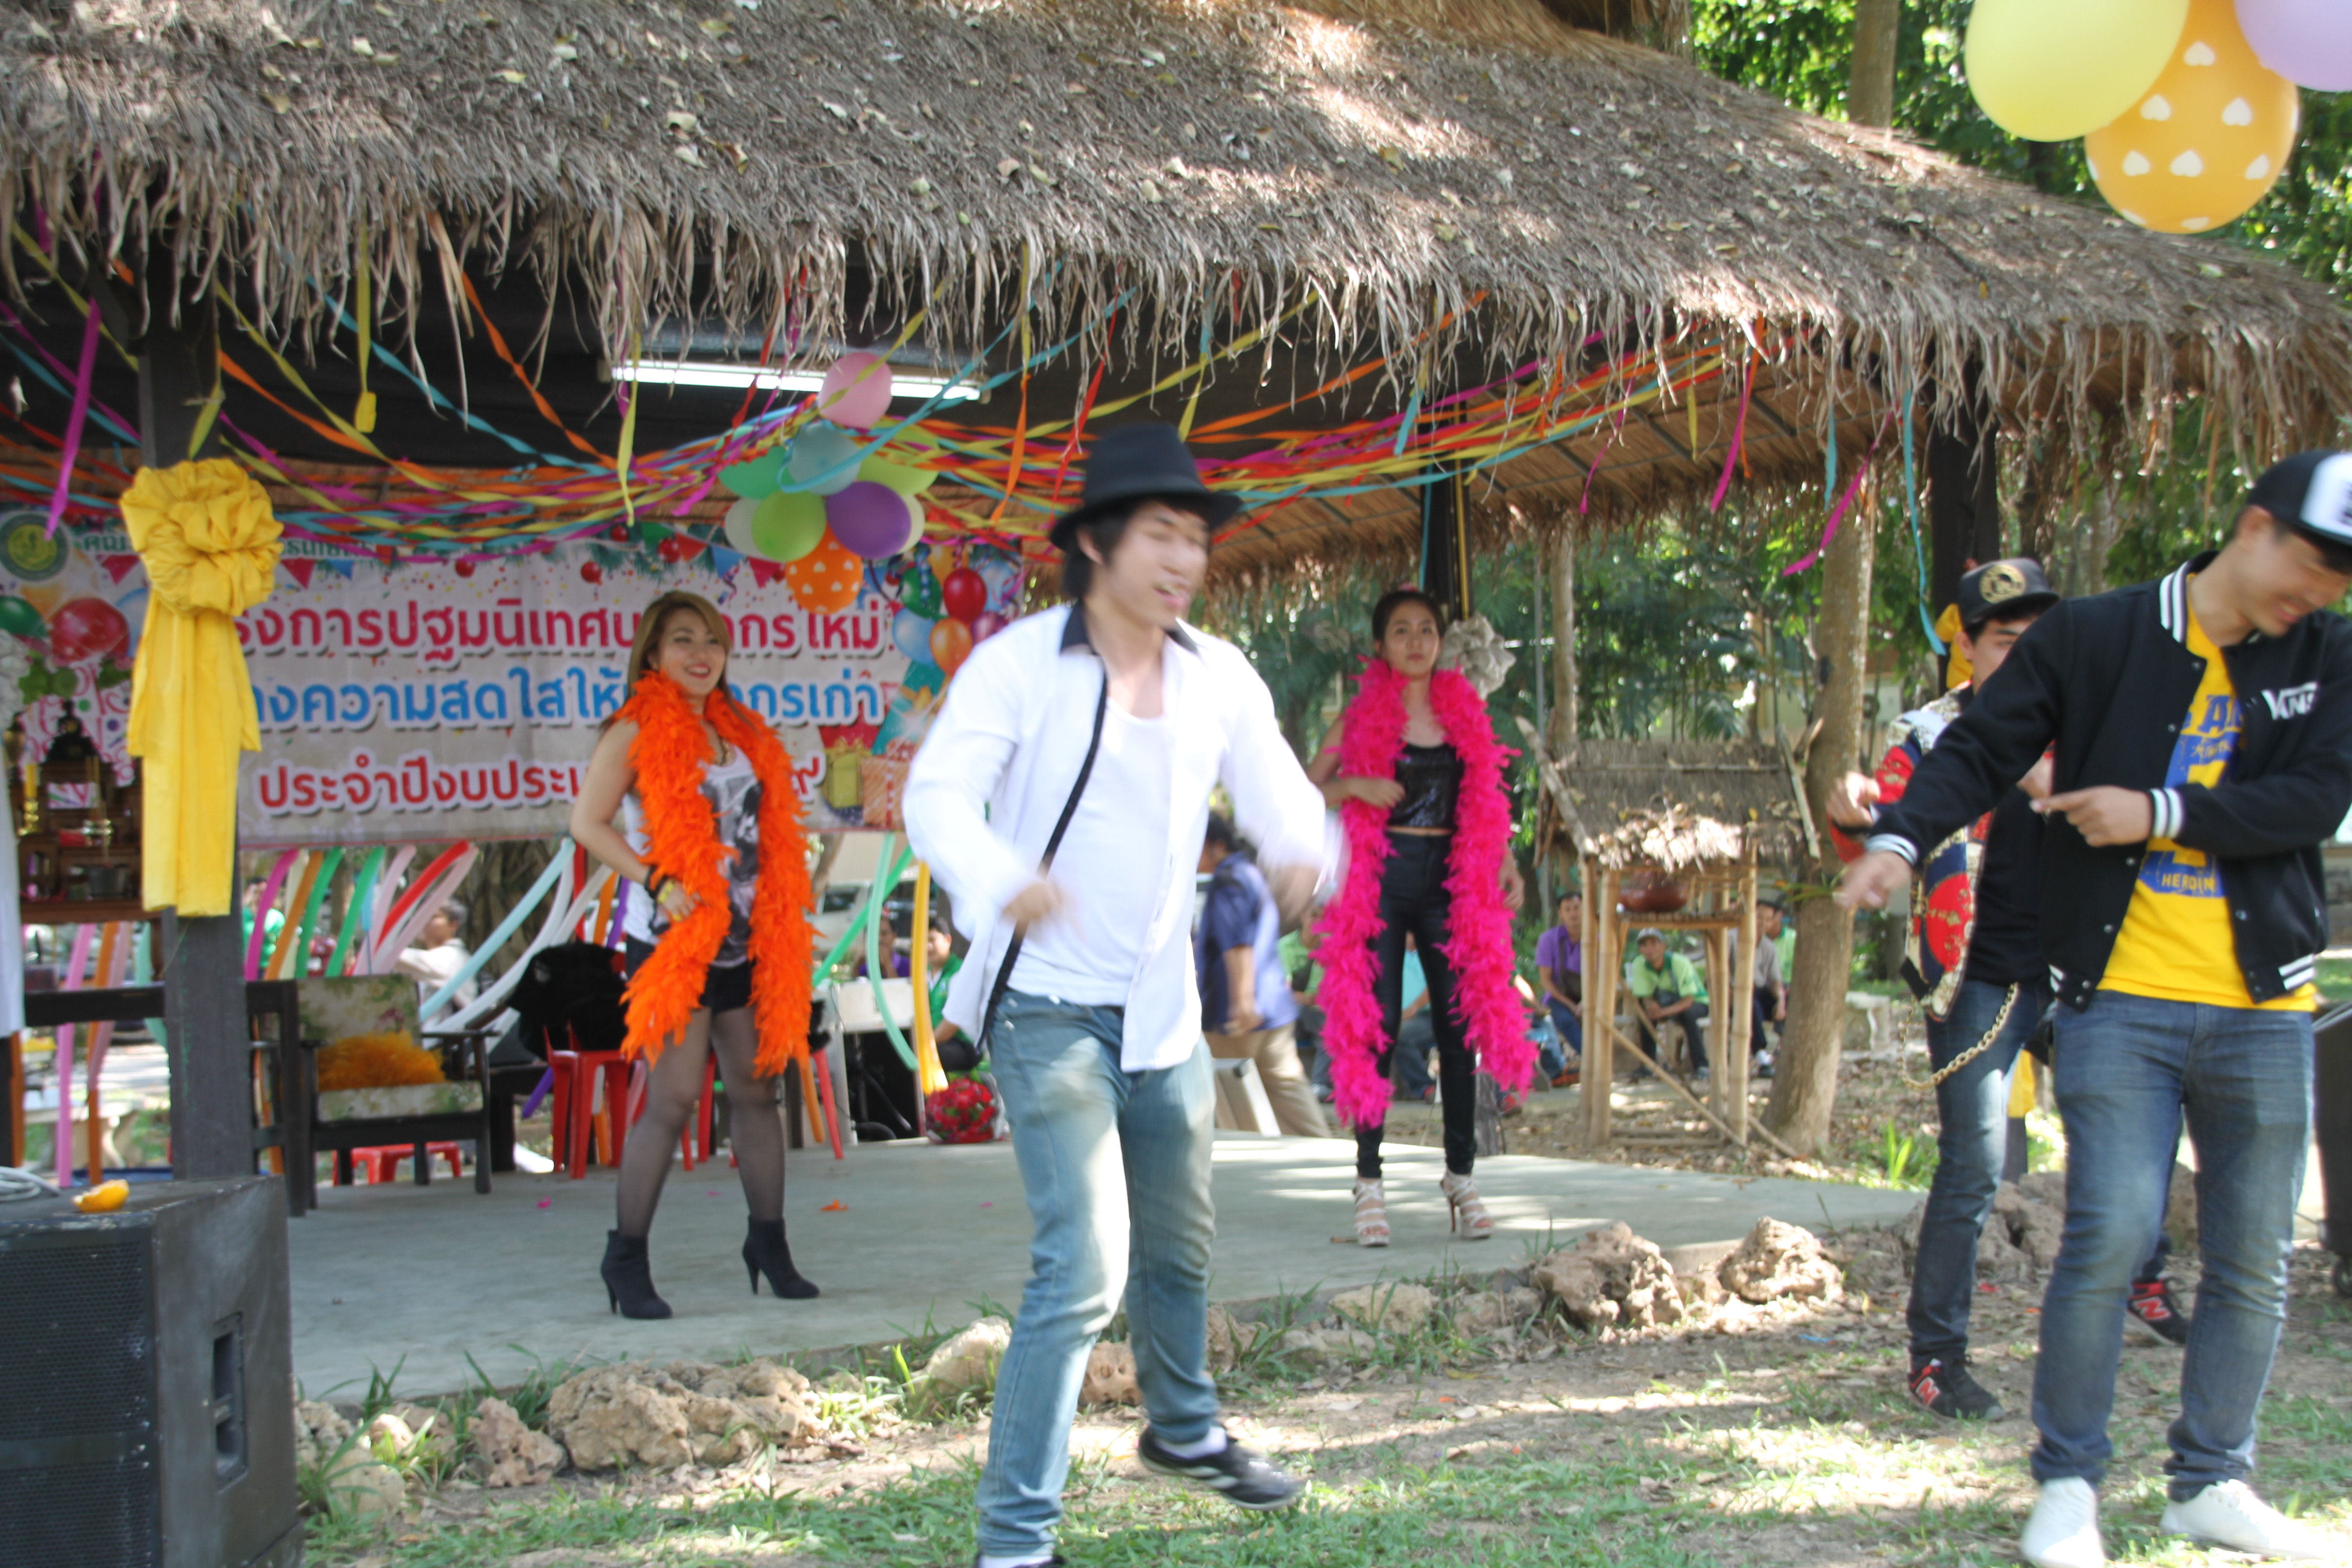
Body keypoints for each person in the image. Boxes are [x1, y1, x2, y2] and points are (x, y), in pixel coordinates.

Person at [1838, 453, 2352, 1568]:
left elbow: (2316, 796)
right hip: (2119, 997)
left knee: (2254, 1254)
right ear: (2253, 528)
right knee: (2110, 1231)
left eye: (2340, 578)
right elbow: (1982, 744)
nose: (2321, 592)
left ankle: (2212, 1480)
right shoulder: (2098, 634)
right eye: (2314, 563)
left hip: (2266, 1003)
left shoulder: (2326, 651)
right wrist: (1897, 840)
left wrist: (2158, 810)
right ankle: (2068, 1485)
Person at [905, 423, 1328, 1568]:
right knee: (1084, 1261)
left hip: (1161, 1014)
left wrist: (1303, 851)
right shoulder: (1019, 665)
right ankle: (1014, 1538)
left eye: (1194, 537)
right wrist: (1002, 879)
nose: (1183, 558)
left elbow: (1280, 792)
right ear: (1096, 542)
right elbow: (935, 797)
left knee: (1179, 1249)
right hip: (1046, 1007)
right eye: (1160, 535)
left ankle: (1182, 1432)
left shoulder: (1216, 673)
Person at [1827, 558, 2073, 1421]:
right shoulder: (1930, 733)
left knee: (2130, 1137)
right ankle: (1936, 1358)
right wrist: (1855, 815)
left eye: (2038, 639)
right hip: (1974, 977)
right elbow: (1883, 821)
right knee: (1973, 1164)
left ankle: (2142, 1289)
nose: (2025, 654)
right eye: (2006, 640)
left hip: (2085, 970)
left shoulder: (2085, 718)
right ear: (1966, 646)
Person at [569, 589, 816, 1320]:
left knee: (757, 1094)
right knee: (674, 1098)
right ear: (653, 652)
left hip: (746, 941)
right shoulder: (634, 728)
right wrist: (656, 878)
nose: (701, 654)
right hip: (674, 942)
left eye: (712, 640)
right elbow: (587, 822)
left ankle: (769, 1244)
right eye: (683, 640)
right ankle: (625, 1258)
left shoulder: (741, 730)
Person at [1308, 587, 1528, 1248]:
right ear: (1380, 646)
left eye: (1426, 630)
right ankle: (1369, 1184)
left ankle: (1460, 1177)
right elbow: (1301, 789)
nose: (1415, 641)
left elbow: (1486, 796)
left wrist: (1506, 860)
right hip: (1380, 880)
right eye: (1400, 630)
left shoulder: (1465, 714)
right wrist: (1352, 785)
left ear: (1440, 641)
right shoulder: (1356, 720)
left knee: (1459, 1032)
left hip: (1450, 885)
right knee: (1373, 1031)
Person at [1197, 812, 1331, 1138]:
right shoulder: (1249, 873)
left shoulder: (1230, 880)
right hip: (1273, 1009)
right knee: (1290, 1095)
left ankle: (1250, 1155)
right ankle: (1325, 1154)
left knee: (1226, 1097)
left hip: (1239, 1013)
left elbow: (1239, 944)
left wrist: (1243, 1002)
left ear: (1215, 845)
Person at [1624, 928, 1708, 1080]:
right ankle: (1648, 1065)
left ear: (1663, 946)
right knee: (1645, 1016)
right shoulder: (1640, 964)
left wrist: (1662, 1012)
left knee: (1689, 1016)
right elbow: (1645, 995)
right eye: (1644, 945)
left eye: (1654, 943)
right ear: (1640, 949)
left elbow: (1689, 1000)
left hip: (1696, 1002)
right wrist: (1651, 1006)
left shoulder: (1680, 963)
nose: (1649, 949)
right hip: (1665, 1001)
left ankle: (1701, 1066)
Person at [1535, 889, 1584, 1087]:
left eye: (1577, 908)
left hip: (1590, 996)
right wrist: (1572, 1006)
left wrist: (1586, 1002)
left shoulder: (1597, 939)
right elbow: (1546, 981)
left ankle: (1599, 1062)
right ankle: (1592, 1062)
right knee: (1566, 1020)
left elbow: (1602, 976)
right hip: (1558, 998)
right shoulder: (1548, 939)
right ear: (1561, 914)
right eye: (1568, 909)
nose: (1573, 913)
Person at [393, 898, 477, 1012]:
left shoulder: (453, 956)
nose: (424, 922)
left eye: (433, 917)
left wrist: (382, 952)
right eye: (420, 917)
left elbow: (399, 959)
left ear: (454, 925)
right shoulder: (432, 958)